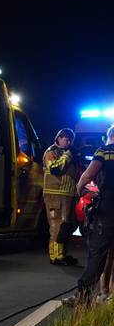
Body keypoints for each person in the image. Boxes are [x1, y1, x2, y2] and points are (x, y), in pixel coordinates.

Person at [65, 124, 114, 307]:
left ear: (110, 136)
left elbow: (88, 175)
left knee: (98, 254)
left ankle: (83, 297)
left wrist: (79, 188)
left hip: (108, 209)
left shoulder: (105, 151)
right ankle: (106, 294)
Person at [42, 128, 81, 266]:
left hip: (68, 194)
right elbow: (55, 169)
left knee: (67, 226)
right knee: (56, 225)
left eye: (71, 140)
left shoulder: (68, 153)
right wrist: (69, 155)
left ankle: (63, 254)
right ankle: (55, 256)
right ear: (59, 138)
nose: (69, 142)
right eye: (66, 139)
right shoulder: (51, 152)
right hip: (55, 194)